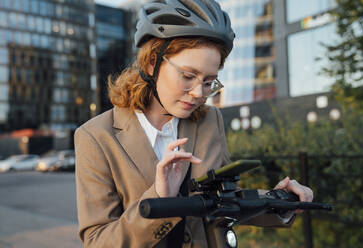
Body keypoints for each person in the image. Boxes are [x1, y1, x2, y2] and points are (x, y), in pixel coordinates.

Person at [74, 0, 313, 247]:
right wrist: (161, 197)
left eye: (209, 81)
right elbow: (98, 241)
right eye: (188, 76)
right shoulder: (96, 137)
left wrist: (280, 201)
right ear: (151, 63)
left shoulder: (210, 120)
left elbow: (226, 203)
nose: (199, 93)